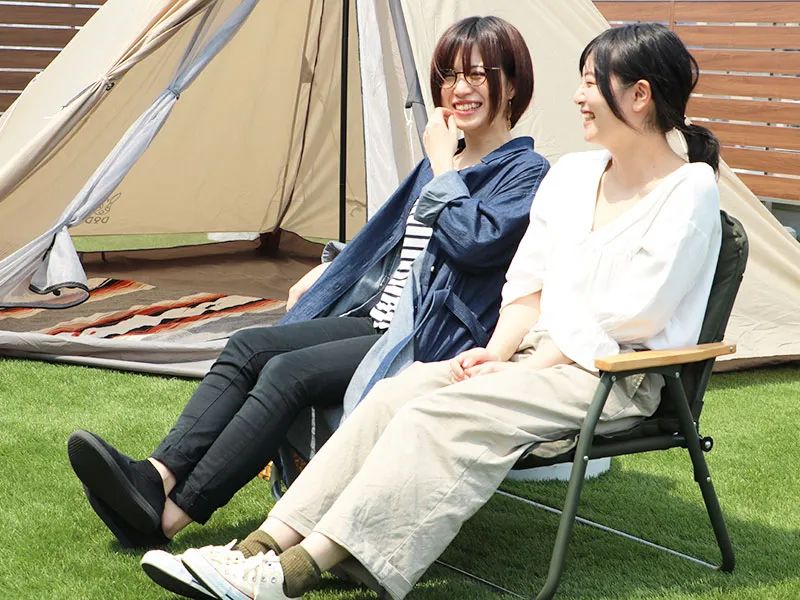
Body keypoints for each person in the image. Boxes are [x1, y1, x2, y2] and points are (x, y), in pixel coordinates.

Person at [151, 22, 724, 600]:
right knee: (393, 395)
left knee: (437, 414)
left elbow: (635, 316)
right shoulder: (574, 175)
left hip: (608, 376)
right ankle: (257, 547)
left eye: (590, 83)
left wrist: (528, 366)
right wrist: (497, 352)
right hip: (532, 356)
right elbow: (528, 282)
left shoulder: (689, 190)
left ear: (639, 94)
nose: (578, 96)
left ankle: (293, 572)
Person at [67, 15, 548, 550]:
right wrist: (333, 267)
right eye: (450, 75)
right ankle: (155, 477)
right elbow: (390, 242)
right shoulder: (445, 161)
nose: (460, 88)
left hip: (427, 339)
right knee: (248, 345)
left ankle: (170, 517)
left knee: (288, 373)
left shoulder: (525, 171)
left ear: (512, 84)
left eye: (478, 74)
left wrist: (441, 167)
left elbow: (475, 243)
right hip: (378, 319)